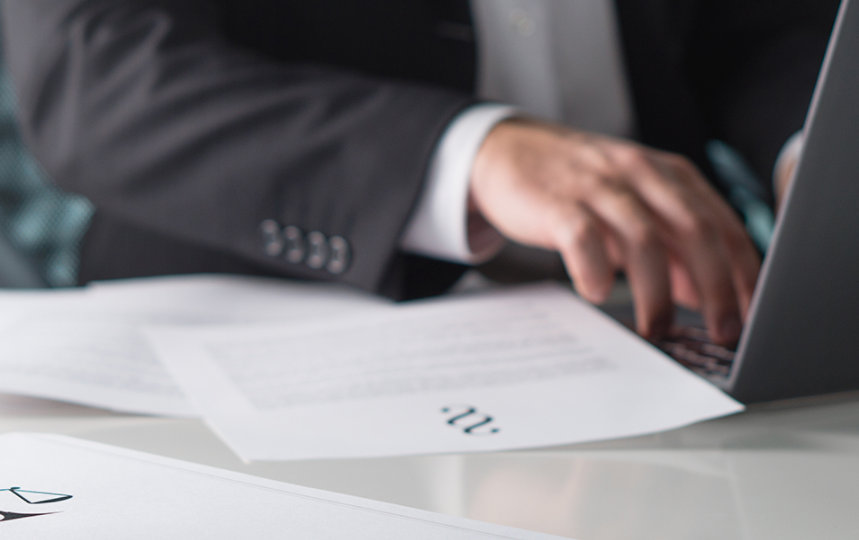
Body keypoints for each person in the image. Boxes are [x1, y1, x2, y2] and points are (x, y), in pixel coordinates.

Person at [0, 0, 839, 344]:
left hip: (679, 317)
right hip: (280, 329)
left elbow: (751, 26)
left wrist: (819, 149)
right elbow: (94, 73)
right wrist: (468, 153)